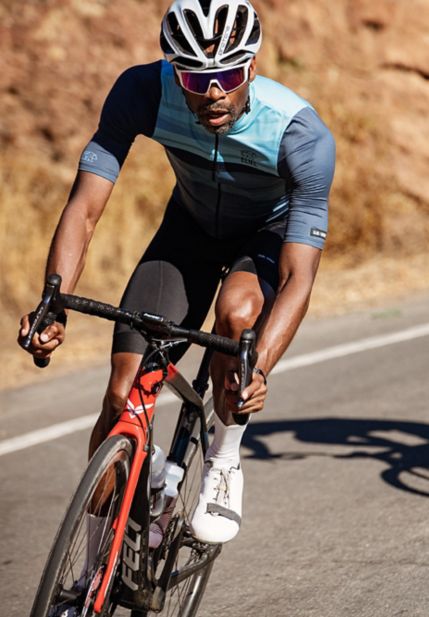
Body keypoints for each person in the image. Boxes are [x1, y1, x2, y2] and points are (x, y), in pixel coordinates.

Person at [19, 0, 335, 548]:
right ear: (173, 70)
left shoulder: (300, 136)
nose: (213, 93)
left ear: (252, 68)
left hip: (262, 239)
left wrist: (258, 367)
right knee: (122, 396)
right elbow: (85, 208)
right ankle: (92, 564)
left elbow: (296, 279)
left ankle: (223, 458)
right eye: (195, 77)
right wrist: (54, 301)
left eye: (229, 76)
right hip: (187, 231)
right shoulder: (141, 91)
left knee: (237, 317)